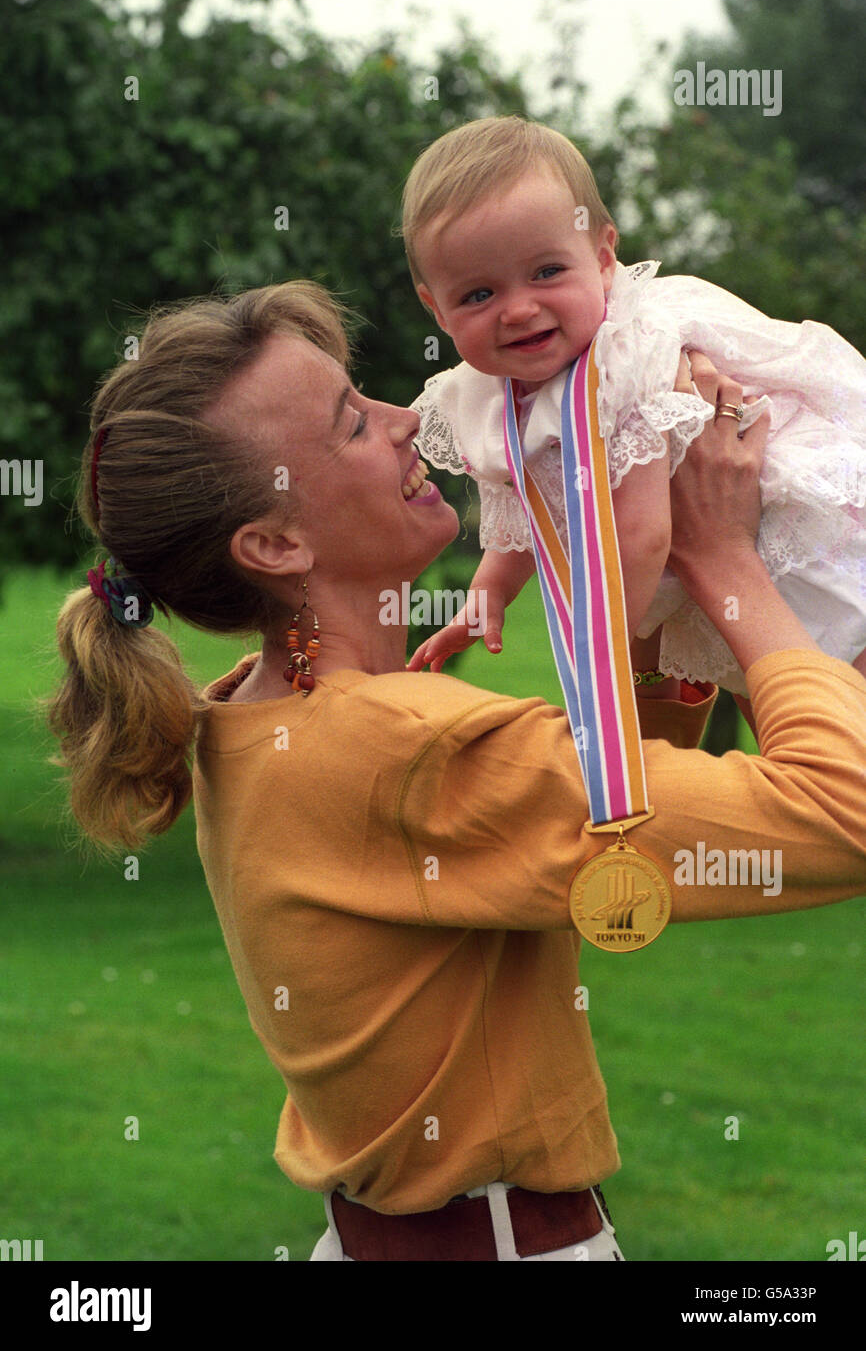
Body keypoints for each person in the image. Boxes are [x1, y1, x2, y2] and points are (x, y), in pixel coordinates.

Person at [48, 279, 866, 1262]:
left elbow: (606, 820)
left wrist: (648, 600)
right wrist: (725, 563)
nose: (406, 422)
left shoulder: (249, 717)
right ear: (272, 543)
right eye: (352, 424)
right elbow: (840, 812)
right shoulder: (402, 749)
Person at [402, 116, 866, 722]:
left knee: (837, 716)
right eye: (478, 295)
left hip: (802, 549)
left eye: (547, 272)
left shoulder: (626, 358)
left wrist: (603, 656)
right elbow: (524, 515)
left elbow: (642, 535)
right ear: (435, 308)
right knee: (788, 721)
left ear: (602, 259)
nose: (518, 309)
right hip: (730, 584)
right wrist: (484, 599)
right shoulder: (491, 396)